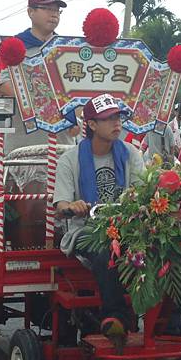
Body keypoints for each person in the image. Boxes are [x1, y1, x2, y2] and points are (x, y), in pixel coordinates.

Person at [54, 94, 144, 347]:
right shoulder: (69, 160)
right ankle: (115, 317)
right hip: (86, 230)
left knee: (166, 248)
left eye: (118, 117)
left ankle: (171, 319)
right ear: (92, 125)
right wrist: (72, 206)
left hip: (127, 226)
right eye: (108, 119)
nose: (117, 124)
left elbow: (142, 191)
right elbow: (60, 206)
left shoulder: (130, 153)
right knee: (108, 252)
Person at [0, 0, 77, 183]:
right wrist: (42, 103)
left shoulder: (67, 49)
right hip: (23, 142)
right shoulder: (15, 46)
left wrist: (76, 117)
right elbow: (2, 83)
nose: (53, 14)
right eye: (47, 8)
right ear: (30, 12)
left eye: (57, 10)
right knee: (23, 206)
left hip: (62, 141)